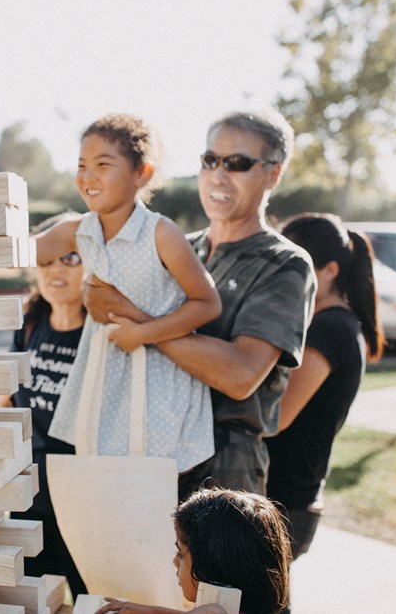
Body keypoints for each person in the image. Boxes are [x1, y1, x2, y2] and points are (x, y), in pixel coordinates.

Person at [84, 109, 316, 500]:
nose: (218, 175)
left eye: (238, 164)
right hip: (150, 453)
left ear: (272, 174)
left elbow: (240, 374)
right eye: (210, 160)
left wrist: (135, 319)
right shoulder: (176, 247)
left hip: (225, 470)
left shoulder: (285, 264)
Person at [40, 113, 222, 473]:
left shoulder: (161, 233)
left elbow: (207, 304)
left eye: (103, 165)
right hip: (105, 382)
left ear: (142, 173)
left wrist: (142, 333)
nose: (88, 176)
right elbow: (23, 250)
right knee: (110, 486)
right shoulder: (78, 230)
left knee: (153, 486)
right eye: (81, 165)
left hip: (158, 385)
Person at [265, 213, 384, 558]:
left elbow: (278, 415)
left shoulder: (330, 329)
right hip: (287, 497)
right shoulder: (326, 324)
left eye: (294, 266)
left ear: (330, 270)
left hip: (285, 504)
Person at [0, 213, 88, 598]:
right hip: (32, 491)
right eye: (46, 261)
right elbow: (7, 398)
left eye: (70, 258)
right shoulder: (30, 323)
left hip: (86, 494)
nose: (55, 271)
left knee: (91, 599)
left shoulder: (105, 329)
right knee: (31, 598)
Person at [95, 488, 292, 614]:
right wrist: (150, 611)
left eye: (181, 553)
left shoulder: (214, 610)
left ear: (212, 566)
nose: (174, 561)